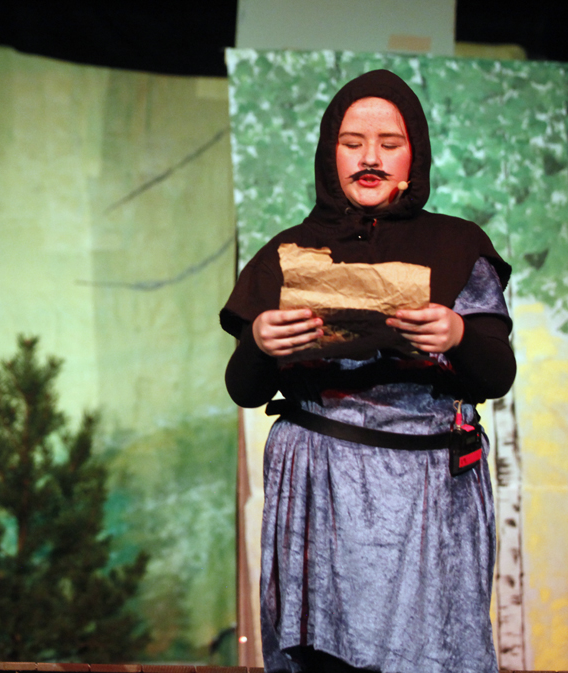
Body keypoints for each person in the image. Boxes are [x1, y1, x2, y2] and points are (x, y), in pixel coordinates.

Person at [220, 70, 515, 673]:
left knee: (430, 656)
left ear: (416, 153)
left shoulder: (458, 244)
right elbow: (244, 389)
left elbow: (496, 374)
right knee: (326, 660)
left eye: (390, 142)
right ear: (331, 154)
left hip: (429, 490)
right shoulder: (289, 250)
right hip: (321, 481)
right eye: (352, 143)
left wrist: (457, 335)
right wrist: (259, 342)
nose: (371, 157)